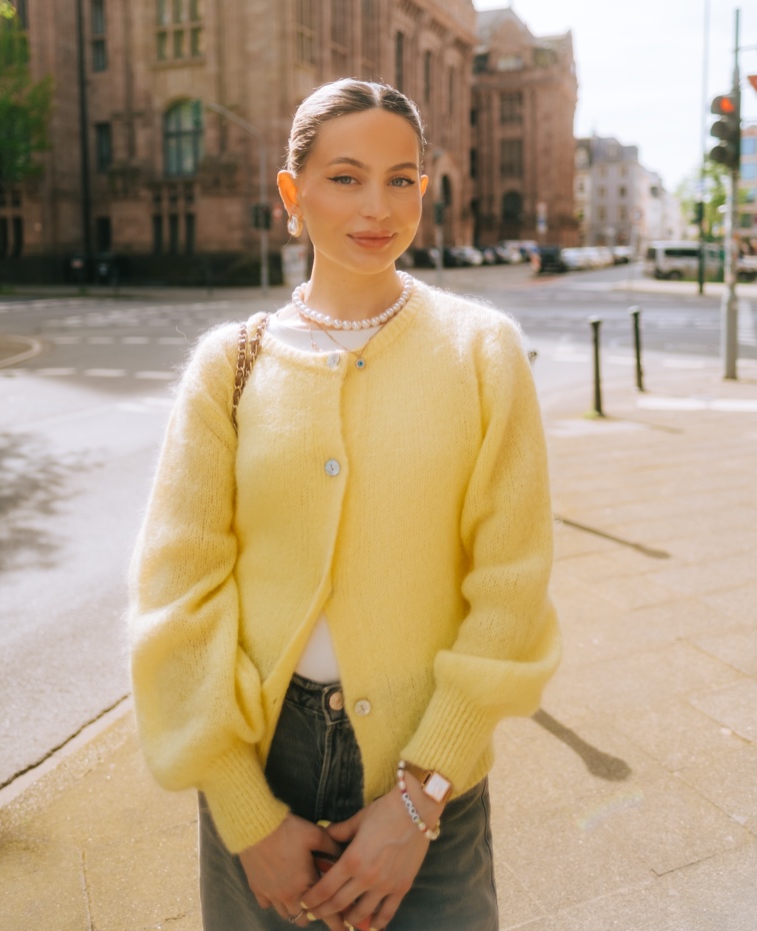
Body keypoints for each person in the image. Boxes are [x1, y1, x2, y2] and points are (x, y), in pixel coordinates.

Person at [127, 79, 560, 931]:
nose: (377, 207)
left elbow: (512, 587)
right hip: (258, 763)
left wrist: (422, 794)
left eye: (403, 179)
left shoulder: (482, 351)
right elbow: (178, 595)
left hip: (428, 757)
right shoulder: (231, 364)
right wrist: (243, 811)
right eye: (345, 177)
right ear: (292, 193)